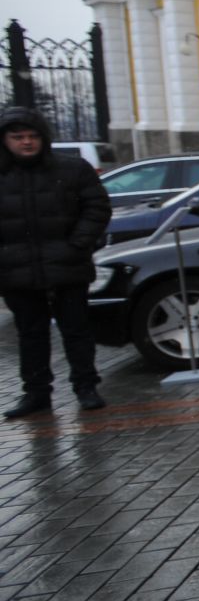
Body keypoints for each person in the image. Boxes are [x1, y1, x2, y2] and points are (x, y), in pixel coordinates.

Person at [0, 107, 112, 415]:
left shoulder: (71, 169)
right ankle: (36, 393)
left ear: (43, 138)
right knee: (30, 334)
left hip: (67, 266)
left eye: (32, 136)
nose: (26, 143)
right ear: (5, 140)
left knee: (76, 331)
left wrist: (77, 245)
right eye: (18, 137)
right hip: (16, 271)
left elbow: (97, 207)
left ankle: (86, 387)